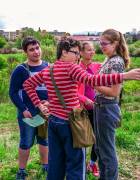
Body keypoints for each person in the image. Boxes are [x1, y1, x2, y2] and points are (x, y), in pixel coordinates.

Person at [23, 36, 140, 180]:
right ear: (65, 52)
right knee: (76, 166)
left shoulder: (49, 69)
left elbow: (28, 85)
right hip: (72, 123)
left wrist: (39, 105)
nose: (78, 57)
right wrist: (124, 76)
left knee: (55, 164)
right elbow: (93, 80)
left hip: (54, 123)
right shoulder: (72, 68)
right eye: (76, 53)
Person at [9, 36, 49, 180]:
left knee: (45, 140)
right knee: (26, 141)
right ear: (25, 52)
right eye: (31, 50)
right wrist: (23, 110)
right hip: (29, 114)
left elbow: (55, 89)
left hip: (45, 113)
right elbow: (12, 92)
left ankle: (46, 166)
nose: (36, 52)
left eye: (37, 48)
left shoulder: (48, 67)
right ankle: (22, 170)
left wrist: (49, 103)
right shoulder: (20, 69)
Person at [93, 29, 130, 180]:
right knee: (100, 148)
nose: (101, 47)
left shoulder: (116, 61)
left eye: (104, 44)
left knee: (107, 151)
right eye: (100, 43)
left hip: (106, 108)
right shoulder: (109, 58)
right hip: (101, 107)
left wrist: (93, 84)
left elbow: (114, 92)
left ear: (115, 44)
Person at [77, 41, 101, 178]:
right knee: (81, 139)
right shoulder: (76, 69)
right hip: (80, 109)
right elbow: (71, 91)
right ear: (81, 53)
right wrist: (83, 99)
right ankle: (80, 165)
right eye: (89, 50)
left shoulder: (97, 67)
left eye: (93, 50)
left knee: (97, 137)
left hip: (95, 108)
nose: (92, 52)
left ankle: (92, 163)